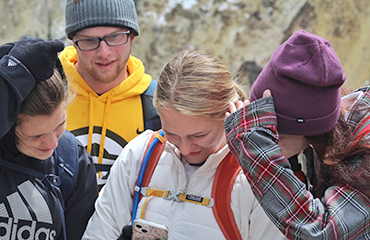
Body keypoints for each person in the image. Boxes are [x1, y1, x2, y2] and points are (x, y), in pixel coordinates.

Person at [82, 49, 287, 240]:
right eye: (171, 134)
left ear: (228, 114)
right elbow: (100, 233)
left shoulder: (256, 177)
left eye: (199, 135)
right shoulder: (140, 154)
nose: (186, 148)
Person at [225, 30, 370, 239]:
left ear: (309, 130)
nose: (271, 144)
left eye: (275, 135)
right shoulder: (328, 137)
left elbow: (320, 232)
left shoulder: (365, 151)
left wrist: (255, 149)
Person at [0, 37, 98, 240]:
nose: (53, 144)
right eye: (36, 136)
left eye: (60, 125)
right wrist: (13, 76)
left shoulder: (72, 160)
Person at [59, 0, 161, 188]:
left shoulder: (157, 105)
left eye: (115, 37)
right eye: (89, 40)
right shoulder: (47, 94)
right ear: (74, 42)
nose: (104, 52)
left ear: (132, 36)